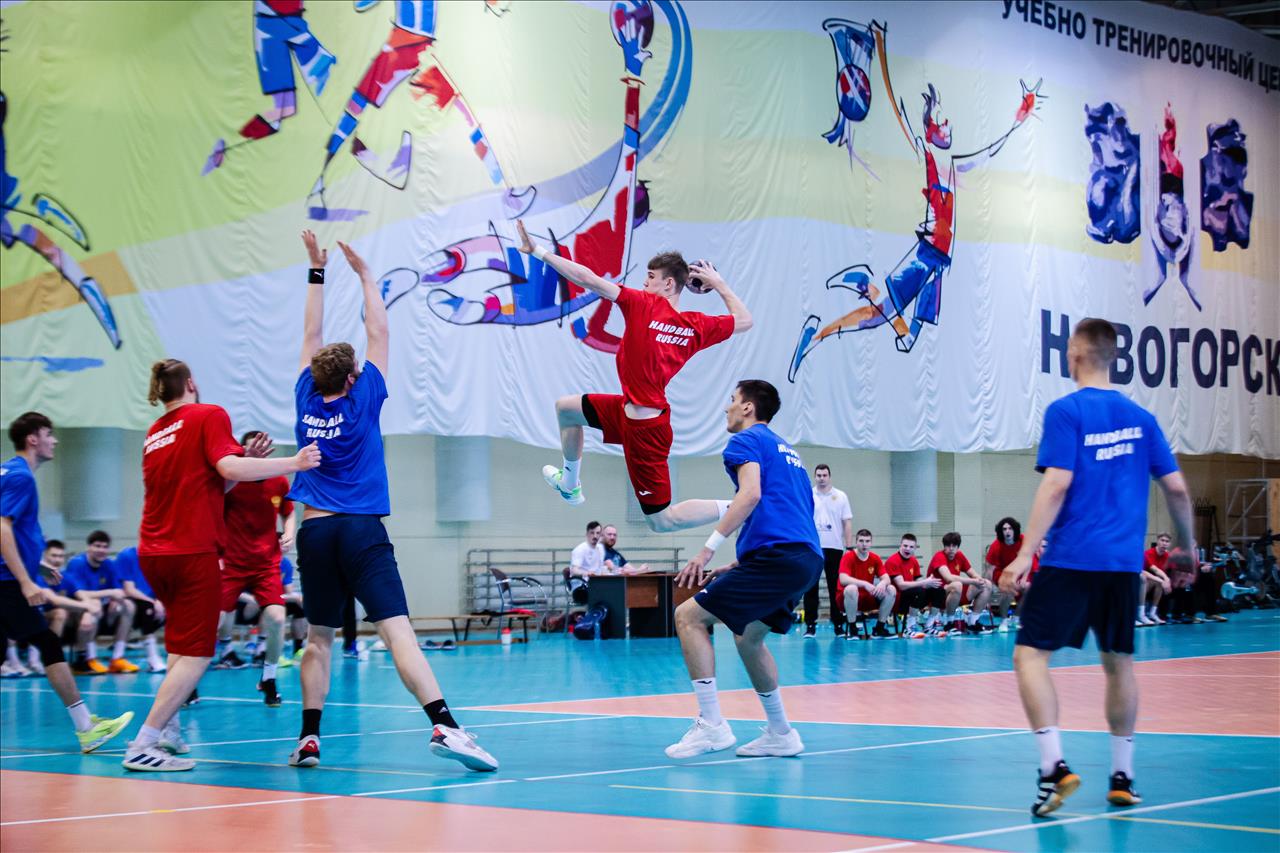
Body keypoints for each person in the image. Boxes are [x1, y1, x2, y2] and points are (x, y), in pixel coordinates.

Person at [287, 231, 496, 772]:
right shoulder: (363, 398)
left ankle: (309, 738)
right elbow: (378, 330)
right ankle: (445, 725)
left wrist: (316, 269)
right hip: (360, 530)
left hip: (314, 531)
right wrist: (364, 275)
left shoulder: (305, 393)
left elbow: (310, 332)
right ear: (353, 377)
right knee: (397, 630)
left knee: (318, 639)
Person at [1000, 318, 1195, 817]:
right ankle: (1123, 778)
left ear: (1076, 354)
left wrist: (1024, 552)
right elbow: (1176, 489)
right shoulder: (1142, 418)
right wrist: (1187, 547)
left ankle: (1054, 768)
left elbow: (1057, 483)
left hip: (1072, 558)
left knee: (1030, 657)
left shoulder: (1066, 411)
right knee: (1119, 664)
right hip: (1122, 565)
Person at [121, 359, 321, 772]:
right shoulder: (208, 414)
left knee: (180, 647)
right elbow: (228, 467)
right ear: (192, 383)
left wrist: (244, 456)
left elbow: (215, 481)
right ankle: (144, 743)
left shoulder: (155, 432)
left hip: (154, 551)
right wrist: (295, 462)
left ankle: (170, 732)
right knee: (198, 654)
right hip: (191, 551)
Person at [516, 220, 752, 533]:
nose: (644, 283)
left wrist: (539, 251)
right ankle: (570, 484)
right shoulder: (696, 325)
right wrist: (719, 284)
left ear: (668, 284)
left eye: (650, 277)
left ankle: (741, 506)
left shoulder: (643, 303)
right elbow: (744, 320)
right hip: (628, 410)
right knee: (567, 409)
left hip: (645, 431)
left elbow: (588, 279)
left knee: (662, 521)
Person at [666, 380, 823, 759]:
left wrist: (705, 551)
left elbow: (750, 495)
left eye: (733, 400)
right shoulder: (789, 453)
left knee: (688, 617)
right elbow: (793, 513)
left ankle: (712, 725)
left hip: (779, 558)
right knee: (748, 638)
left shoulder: (745, 441)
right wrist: (741, 562)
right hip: (804, 559)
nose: (727, 408)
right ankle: (781, 733)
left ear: (749, 407)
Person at [0, 412, 133, 751]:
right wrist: (26, 581)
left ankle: (86, 725)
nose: (55, 440)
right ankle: (86, 727)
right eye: (49, 433)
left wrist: (38, 564)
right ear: (33, 439)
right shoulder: (21, 477)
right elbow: (2, 528)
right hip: (6, 582)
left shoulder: (8, 472)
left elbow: (13, 532)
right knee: (48, 643)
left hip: (8, 576)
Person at [218, 433, 297, 707]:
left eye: (263, 448)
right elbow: (209, 508)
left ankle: (269, 678)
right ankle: (190, 682)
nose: (259, 452)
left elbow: (288, 511)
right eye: (252, 448)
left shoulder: (278, 480)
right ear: (242, 451)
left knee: (277, 618)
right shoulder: (230, 480)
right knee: (215, 621)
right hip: (231, 563)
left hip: (266, 564)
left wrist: (289, 532)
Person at [60, 531, 139, 673]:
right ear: (88, 547)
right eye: (97, 546)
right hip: (76, 610)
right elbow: (80, 594)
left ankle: (117, 658)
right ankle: (87, 659)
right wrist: (109, 593)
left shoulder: (109, 564)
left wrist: (115, 599)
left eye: (105, 547)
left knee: (128, 606)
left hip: (102, 611)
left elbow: (119, 591)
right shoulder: (77, 563)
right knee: (95, 605)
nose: (101, 550)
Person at [805, 463, 853, 638]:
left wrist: (849, 547)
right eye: (819, 475)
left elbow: (847, 522)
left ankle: (838, 624)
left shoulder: (841, 496)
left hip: (835, 547)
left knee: (835, 588)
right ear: (815, 476)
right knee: (810, 587)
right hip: (813, 547)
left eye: (824, 475)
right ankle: (810, 625)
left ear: (829, 476)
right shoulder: (808, 494)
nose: (821, 478)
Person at [114, 545, 168, 672]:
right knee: (147, 609)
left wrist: (160, 600)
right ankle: (153, 658)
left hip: (150, 600)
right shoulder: (128, 555)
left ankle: (183, 654)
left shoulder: (160, 557)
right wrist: (152, 601)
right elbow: (129, 590)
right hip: (129, 600)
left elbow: (162, 586)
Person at [928, 532, 993, 635]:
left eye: (954, 546)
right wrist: (973, 581)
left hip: (956, 594)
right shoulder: (939, 556)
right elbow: (949, 578)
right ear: (944, 547)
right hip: (939, 596)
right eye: (948, 546)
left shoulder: (959, 555)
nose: (951, 549)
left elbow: (972, 573)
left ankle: (972, 622)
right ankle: (949, 623)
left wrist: (980, 580)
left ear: (958, 547)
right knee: (957, 585)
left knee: (987, 584)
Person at [837, 529, 896, 639]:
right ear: (856, 542)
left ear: (871, 543)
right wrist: (864, 584)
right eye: (861, 541)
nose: (864, 544)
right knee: (851, 588)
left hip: (867, 598)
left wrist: (882, 583)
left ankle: (879, 629)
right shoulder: (848, 557)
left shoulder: (875, 558)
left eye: (867, 541)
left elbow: (886, 578)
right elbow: (843, 579)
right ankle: (853, 629)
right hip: (847, 599)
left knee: (891, 589)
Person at [884, 534, 942, 637]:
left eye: (911, 547)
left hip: (913, 597)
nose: (908, 549)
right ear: (900, 545)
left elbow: (918, 581)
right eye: (905, 546)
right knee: (918, 591)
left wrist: (929, 583)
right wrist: (924, 583)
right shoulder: (893, 561)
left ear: (915, 548)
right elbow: (901, 586)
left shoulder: (913, 561)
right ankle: (909, 627)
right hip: (897, 600)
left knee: (938, 590)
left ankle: (929, 626)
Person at [986, 517, 1024, 632]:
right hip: (1001, 573)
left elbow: (1029, 560)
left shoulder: (1023, 540)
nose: (1007, 531)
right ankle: (1003, 621)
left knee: (1029, 590)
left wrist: (1025, 578)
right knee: (1008, 590)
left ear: (1015, 530)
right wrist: (988, 590)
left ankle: (1016, 617)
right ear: (1001, 531)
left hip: (1018, 573)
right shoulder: (995, 546)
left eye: (1010, 528)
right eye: (1004, 529)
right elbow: (989, 570)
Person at [567, 521, 607, 605]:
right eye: (592, 533)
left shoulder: (600, 548)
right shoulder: (580, 549)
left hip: (596, 583)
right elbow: (574, 570)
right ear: (587, 534)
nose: (595, 536)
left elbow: (600, 568)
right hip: (581, 587)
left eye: (597, 533)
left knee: (615, 588)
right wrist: (587, 573)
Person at [1138, 534, 1172, 626]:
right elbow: (1153, 569)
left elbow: (1168, 570)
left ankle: (1153, 613)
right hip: (1143, 580)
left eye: (1167, 541)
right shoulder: (1149, 553)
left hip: (1153, 581)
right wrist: (1164, 580)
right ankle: (1141, 614)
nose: (1164, 543)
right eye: (1162, 540)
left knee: (1162, 583)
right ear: (1157, 541)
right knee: (1154, 581)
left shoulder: (1167, 555)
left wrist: (1167, 580)